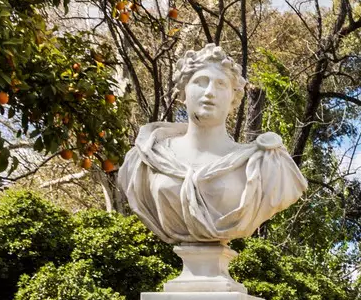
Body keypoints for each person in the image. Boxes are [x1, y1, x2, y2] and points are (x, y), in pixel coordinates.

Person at [120, 44, 308, 243]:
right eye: (200, 82)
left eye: (220, 84)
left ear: (233, 98)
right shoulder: (145, 159)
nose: (210, 92)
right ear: (183, 92)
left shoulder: (267, 163)